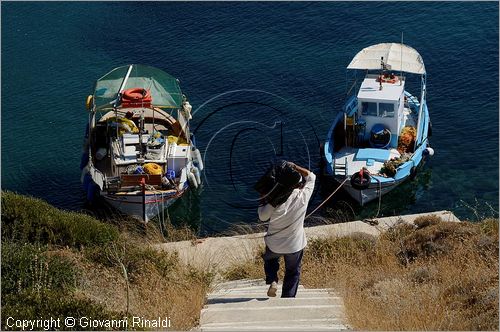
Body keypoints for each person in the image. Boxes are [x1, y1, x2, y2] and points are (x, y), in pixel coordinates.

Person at [257, 162, 315, 298]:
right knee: (293, 272)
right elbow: (311, 176)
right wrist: (294, 166)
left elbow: (262, 216)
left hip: (274, 244)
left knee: (270, 261)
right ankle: (288, 298)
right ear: (299, 185)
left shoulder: (275, 201)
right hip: (295, 245)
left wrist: (262, 200)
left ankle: (272, 280)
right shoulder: (303, 196)